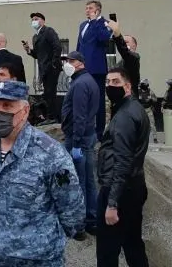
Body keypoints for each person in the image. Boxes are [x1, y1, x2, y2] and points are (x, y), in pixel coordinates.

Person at [0, 81, 85, 266]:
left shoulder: (50, 153)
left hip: (38, 259)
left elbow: (72, 210)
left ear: (25, 111)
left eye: (7, 105)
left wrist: (45, 240)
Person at [96, 67, 150, 267]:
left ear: (127, 86)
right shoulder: (132, 108)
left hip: (118, 189)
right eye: (108, 82)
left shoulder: (125, 116)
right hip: (133, 185)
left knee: (107, 251)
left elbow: (123, 161)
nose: (110, 86)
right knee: (132, 243)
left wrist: (112, 203)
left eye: (116, 82)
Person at [60, 51, 99, 238]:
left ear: (80, 63)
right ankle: (93, 220)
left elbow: (79, 116)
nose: (67, 64)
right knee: (89, 181)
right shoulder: (86, 81)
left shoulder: (81, 84)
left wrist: (75, 143)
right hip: (87, 137)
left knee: (78, 182)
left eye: (70, 61)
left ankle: (80, 225)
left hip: (79, 139)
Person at [76, 0, 112, 139]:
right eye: (86, 8)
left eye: (90, 8)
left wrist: (96, 21)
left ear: (97, 10)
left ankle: (99, 132)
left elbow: (103, 39)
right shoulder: (83, 25)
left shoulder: (104, 23)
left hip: (97, 69)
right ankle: (84, 128)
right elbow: (80, 45)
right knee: (84, 100)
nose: (87, 10)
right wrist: (75, 63)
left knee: (98, 101)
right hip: (83, 69)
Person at [23, 12, 62, 124]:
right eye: (32, 20)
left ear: (43, 21)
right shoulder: (36, 37)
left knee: (50, 92)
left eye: (36, 19)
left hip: (51, 67)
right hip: (43, 68)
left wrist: (54, 63)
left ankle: (52, 117)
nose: (34, 21)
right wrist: (29, 50)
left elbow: (57, 46)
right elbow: (37, 55)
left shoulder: (49, 31)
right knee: (47, 93)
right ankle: (49, 116)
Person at [107, 19, 140, 98]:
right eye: (123, 42)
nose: (124, 44)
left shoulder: (134, 58)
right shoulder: (122, 61)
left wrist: (117, 33)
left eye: (126, 42)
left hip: (129, 97)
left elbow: (124, 50)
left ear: (134, 45)